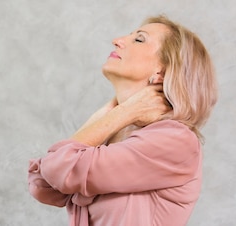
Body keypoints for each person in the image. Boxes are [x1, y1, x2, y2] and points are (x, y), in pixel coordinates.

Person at [27, 15, 218, 226]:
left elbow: (57, 169)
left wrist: (122, 113)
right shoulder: (119, 132)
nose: (117, 40)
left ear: (162, 72)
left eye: (139, 39)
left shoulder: (174, 140)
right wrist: (118, 112)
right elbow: (43, 185)